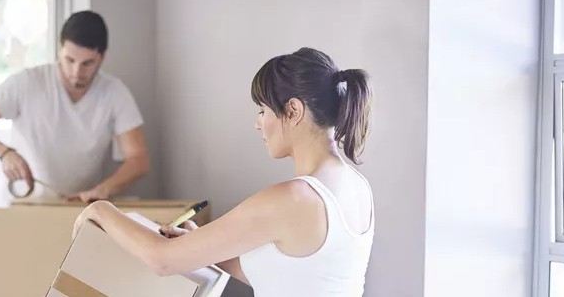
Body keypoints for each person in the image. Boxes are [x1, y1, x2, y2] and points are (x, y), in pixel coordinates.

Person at [73, 47, 374, 296]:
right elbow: (288, 277)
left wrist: (102, 210)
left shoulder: (293, 198)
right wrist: (203, 245)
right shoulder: (356, 186)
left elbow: (161, 260)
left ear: (293, 110)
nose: (258, 123)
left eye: (262, 110)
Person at [0, 11, 150, 202]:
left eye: (87, 63)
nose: (76, 72)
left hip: (81, 207)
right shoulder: (27, 83)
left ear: (102, 56)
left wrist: (104, 189)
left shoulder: (115, 92)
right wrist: (5, 153)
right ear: (60, 50)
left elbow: (138, 160)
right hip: (25, 204)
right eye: (70, 60)